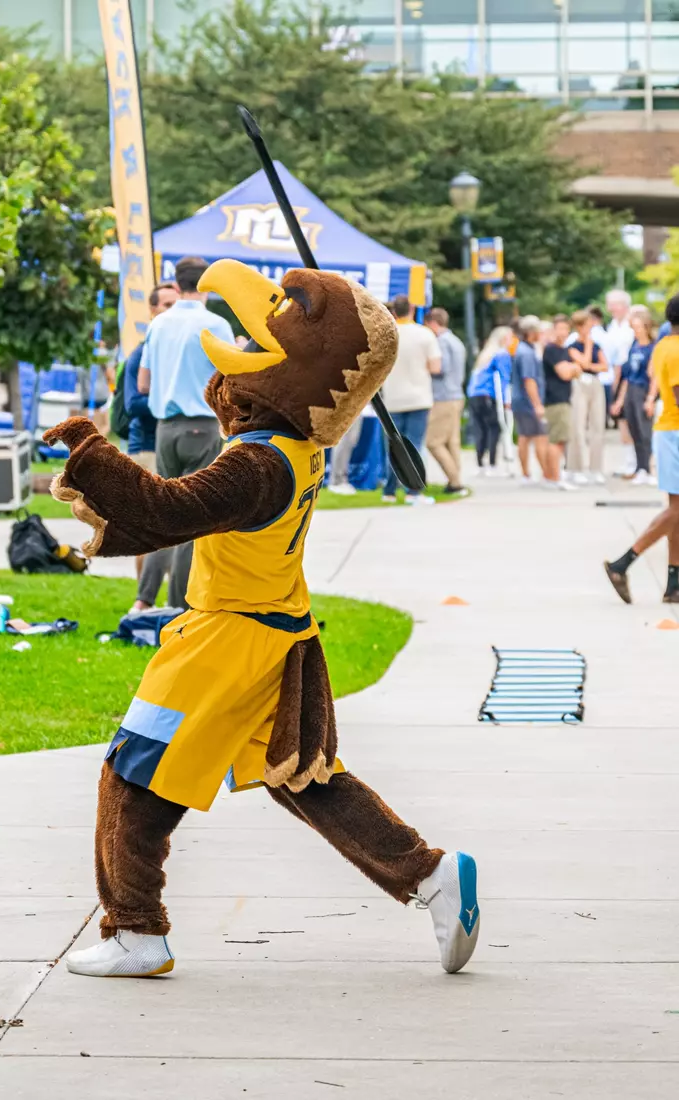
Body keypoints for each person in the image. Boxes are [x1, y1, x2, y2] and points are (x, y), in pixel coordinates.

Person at [43, 259, 479, 980]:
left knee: (133, 778)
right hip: (277, 635)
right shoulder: (291, 447)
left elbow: (166, 510)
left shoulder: (256, 466)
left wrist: (93, 452)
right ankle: (429, 875)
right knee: (304, 778)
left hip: (225, 643)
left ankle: (136, 930)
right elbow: (203, 488)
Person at [135, 256, 233, 610]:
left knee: (164, 515)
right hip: (202, 425)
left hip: (165, 427)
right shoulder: (215, 324)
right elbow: (233, 376)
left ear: (176, 286)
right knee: (192, 518)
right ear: (206, 284)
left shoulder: (158, 325)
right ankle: (180, 605)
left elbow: (142, 383)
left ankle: (144, 599)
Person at [604, 292, 679, 605]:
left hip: (668, 430)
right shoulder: (676, 350)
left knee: (677, 512)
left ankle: (673, 584)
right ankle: (623, 562)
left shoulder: (663, 345)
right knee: (676, 511)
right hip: (676, 431)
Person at [124, 281, 178, 584]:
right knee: (149, 526)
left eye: (176, 304)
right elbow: (133, 404)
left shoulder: (179, 352)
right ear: (153, 310)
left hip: (175, 445)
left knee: (177, 525)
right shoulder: (141, 354)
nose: (172, 311)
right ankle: (142, 601)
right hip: (146, 447)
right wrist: (174, 402)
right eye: (166, 305)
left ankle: (174, 597)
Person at [380, 295, 441, 504]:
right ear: (413, 309)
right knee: (415, 445)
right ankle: (413, 492)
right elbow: (436, 367)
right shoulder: (425, 334)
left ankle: (388, 491)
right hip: (419, 397)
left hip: (393, 398)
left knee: (394, 446)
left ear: (394, 311)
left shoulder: (387, 334)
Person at [610, 305, 656, 486]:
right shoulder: (633, 347)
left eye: (638, 327)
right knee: (634, 431)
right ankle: (639, 468)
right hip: (631, 391)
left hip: (643, 390)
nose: (635, 331)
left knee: (645, 432)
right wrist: (620, 400)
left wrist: (651, 398)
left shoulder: (652, 348)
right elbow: (627, 377)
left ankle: (647, 468)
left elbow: (654, 376)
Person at [424, 307, 467, 495]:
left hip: (443, 397)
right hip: (456, 394)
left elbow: (441, 368)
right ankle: (454, 479)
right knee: (452, 442)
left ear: (433, 323)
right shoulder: (456, 341)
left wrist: (425, 365)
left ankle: (455, 481)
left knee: (433, 441)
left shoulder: (441, 342)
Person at [565, 309, 609, 485]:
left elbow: (604, 366)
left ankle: (595, 468)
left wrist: (591, 364)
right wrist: (588, 346)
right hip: (579, 384)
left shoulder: (597, 345)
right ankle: (575, 467)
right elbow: (583, 362)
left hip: (595, 383)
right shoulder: (572, 346)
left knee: (597, 425)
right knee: (578, 426)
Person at [542, 314, 582, 489]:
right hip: (555, 399)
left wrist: (573, 368)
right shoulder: (551, 350)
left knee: (560, 439)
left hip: (564, 397)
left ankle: (553, 476)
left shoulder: (564, 350)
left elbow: (579, 368)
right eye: (560, 328)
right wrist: (573, 368)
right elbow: (565, 373)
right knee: (557, 439)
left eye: (566, 329)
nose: (563, 332)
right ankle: (554, 477)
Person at [466, 326, 512, 476]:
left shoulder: (485, 354)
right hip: (488, 395)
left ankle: (480, 463)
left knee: (481, 429)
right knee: (494, 428)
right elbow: (504, 377)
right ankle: (492, 463)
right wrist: (506, 399)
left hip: (474, 395)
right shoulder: (501, 354)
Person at [510, 315, 549, 485]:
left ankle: (526, 474)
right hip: (527, 401)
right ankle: (547, 473)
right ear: (530, 332)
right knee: (539, 436)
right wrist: (537, 404)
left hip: (520, 399)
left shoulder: (524, 349)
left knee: (524, 436)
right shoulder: (526, 353)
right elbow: (529, 380)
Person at [604, 289, 637, 475]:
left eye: (613, 304)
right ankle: (628, 461)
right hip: (612, 376)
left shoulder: (630, 326)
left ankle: (634, 462)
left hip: (627, 377)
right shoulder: (612, 326)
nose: (610, 308)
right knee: (621, 421)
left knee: (630, 421)